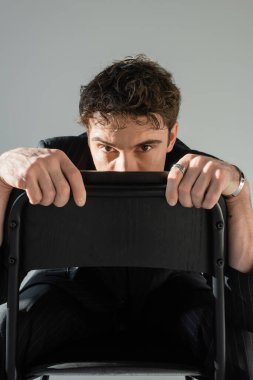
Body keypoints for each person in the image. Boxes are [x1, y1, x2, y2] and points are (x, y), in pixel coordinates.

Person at [0, 55, 252, 380]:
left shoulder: (203, 172)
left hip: (172, 295)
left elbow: (246, 312)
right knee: (8, 329)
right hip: (71, 290)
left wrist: (239, 194)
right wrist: (2, 178)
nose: (125, 168)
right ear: (87, 133)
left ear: (172, 137)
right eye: (106, 148)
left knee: (238, 345)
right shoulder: (51, 160)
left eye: (146, 147)